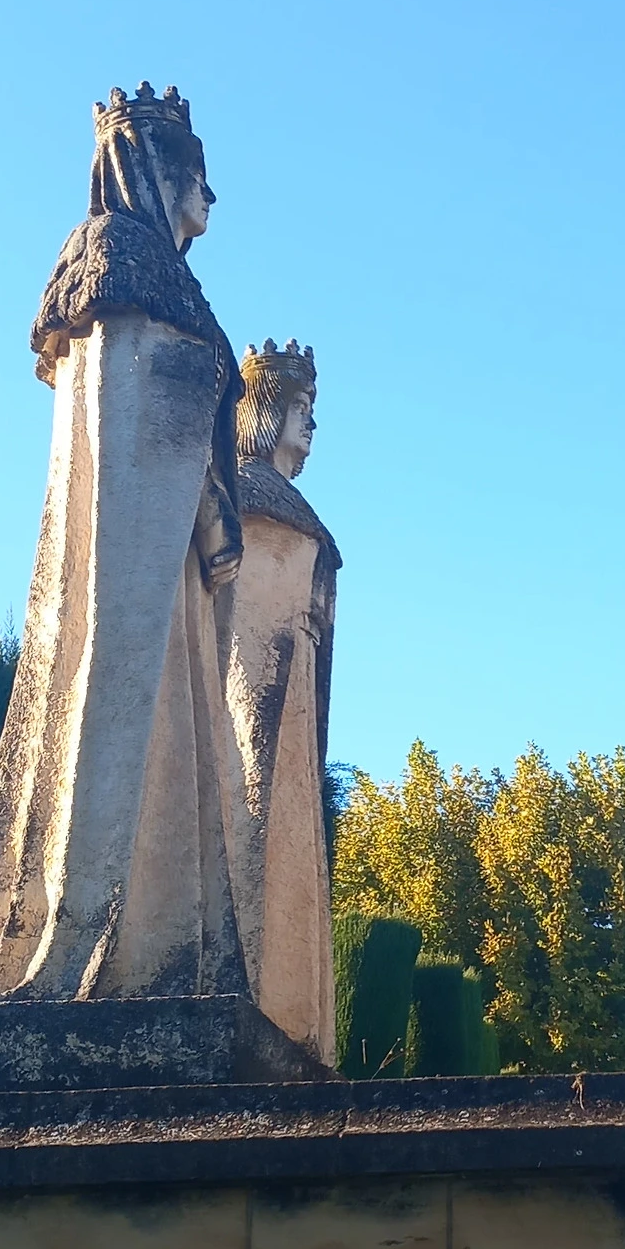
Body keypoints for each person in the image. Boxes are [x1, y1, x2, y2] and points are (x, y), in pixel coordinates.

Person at [0, 85, 250, 1001]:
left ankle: (166, 955)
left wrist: (211, 505)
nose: (209, 197)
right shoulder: (113, 258)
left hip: (171, 563)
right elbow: (130, 419)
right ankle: (86, 945)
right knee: (107, 715)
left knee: (175, 744)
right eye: (198, 175)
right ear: (157, 167)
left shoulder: (168, 279)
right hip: (130, 561)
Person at [225, 338, 341, 1062]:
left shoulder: (289, 503)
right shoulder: (240, 489)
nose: (312, 423)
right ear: (265, 410)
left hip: (294, 680)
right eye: (301, 406)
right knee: (253, 820)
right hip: (254, 676)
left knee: (288, 835)